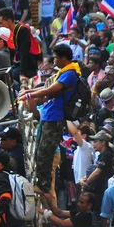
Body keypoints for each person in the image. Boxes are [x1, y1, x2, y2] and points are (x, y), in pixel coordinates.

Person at [18, 44, 78, 205]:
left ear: (65, 58)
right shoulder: (63, 72)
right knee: (39, 151)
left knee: (45, 153)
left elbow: (51, 90)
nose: (55, 61)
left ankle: (43, 186)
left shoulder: (70, 74)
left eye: (57, 58)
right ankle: (40, 184)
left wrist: (29, 93)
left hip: (55, 118)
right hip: (48, 116)